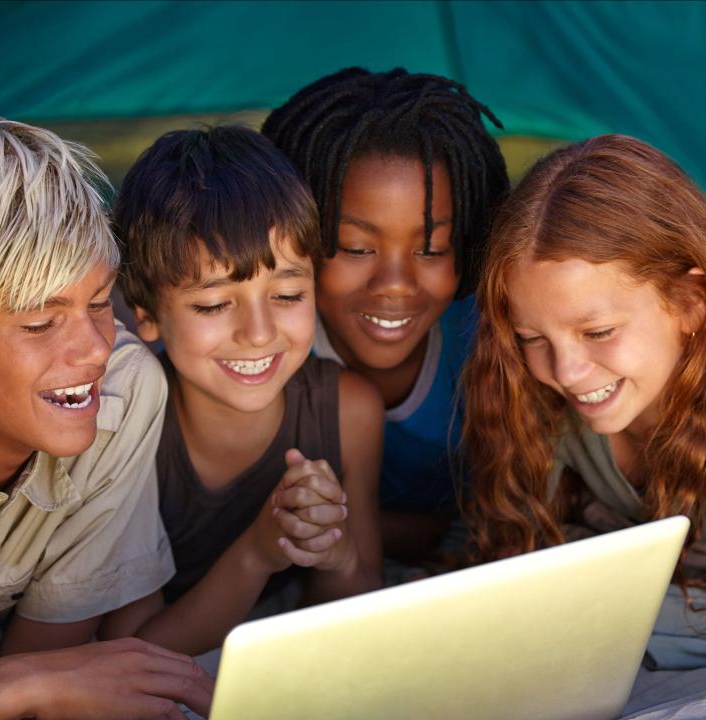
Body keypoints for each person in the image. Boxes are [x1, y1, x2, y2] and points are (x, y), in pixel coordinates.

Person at [106, 125, 383, 655]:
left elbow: (359, 613)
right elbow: (131, 652)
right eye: (212, 305)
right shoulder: (125, 433)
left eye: (286, 293)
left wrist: (335, 551)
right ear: (146, 317)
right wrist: (259, 552)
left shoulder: (349, 412)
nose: (258, 333)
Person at [0, 118, 212, 717]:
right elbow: (41, 682)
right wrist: (15, 687)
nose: (94, 349)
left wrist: (33, 683)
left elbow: (51, 661)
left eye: (97, 304)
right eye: (39, 323)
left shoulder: (124, 390)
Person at [461, 134, 706, 672]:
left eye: (597, 331)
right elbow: (501, 549)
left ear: (690, 303)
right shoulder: (542, 408)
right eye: (532, 338)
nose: (566, 373)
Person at [262, 67, 510, 565]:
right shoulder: (254, 345)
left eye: (432, 249)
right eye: (355, 248)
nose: (395, 283)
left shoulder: (494, 339)